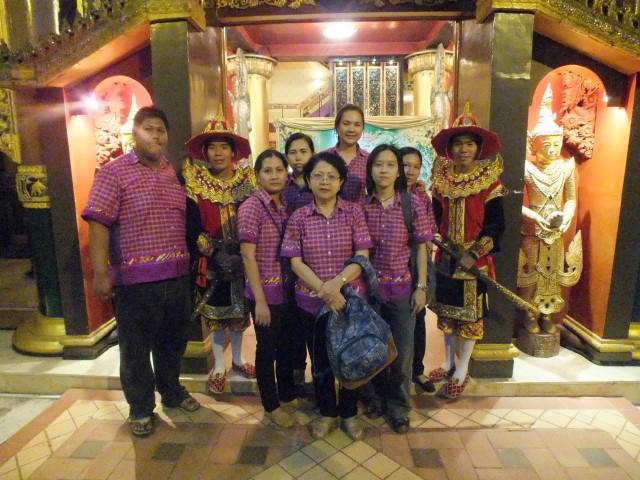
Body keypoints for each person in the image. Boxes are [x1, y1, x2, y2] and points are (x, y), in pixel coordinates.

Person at [82, 106, 200, 437]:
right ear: (134, 132)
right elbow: (98, 223)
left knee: (172, 342)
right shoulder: (114, 173)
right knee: (135, 348)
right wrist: (101, 273)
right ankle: (140, 407)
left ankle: (172, 391)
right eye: (149, 129)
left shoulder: (170, 172)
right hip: (136, 282)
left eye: (161, 130)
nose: (156, 135)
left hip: (176, 276)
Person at [281, 151, 373, 440]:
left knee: (350, 360)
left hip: (349, 301)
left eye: (331, 176)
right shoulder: (299, 217)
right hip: (312, 304)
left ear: (341, 181)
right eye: (318, 176)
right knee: (320, 363)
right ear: (308, 180)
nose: (324, 181)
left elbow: (362, 255)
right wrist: (325, 291)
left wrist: (336, 284)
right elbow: (295, 262)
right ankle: (327, 412)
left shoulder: (354, 213)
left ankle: (348, 413)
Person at [428, 103, 506, 399]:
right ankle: (448, 363)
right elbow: (435, 218)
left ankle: (462, 370)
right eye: (458, 143)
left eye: (469, 143)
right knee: (447, 316)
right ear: (450, 149)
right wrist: (435, 238)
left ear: (478, 148)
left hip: (475, 264)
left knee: (470, 320)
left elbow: (496, 227)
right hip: (444, 260)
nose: (463, 149)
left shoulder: (489, 183)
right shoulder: (441, 181)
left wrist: (473, 254)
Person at [362, 144, 434, 433]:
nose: (384, 170)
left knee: (402, 353)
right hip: (369, 292)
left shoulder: (412, 204)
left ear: (398, 171)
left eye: (390, 165)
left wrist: (421, 287)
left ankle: (399, 406)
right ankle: (375, 398)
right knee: (373, 349)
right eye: (378, 164)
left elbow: (421, 249)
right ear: (370, 170)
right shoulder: (361, 206)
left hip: (402, 290)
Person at [183, 117, 257, 395]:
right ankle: (218, 365)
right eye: (212, 147)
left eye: (224, 147)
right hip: (211, 259)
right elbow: (192, 225)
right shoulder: (195, 182)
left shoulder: (247, 181)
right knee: (215, 315)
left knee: (239, 314)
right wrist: (214, 252)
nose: (218, 153)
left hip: (243, 259)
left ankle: (237, 359)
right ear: (205, 152)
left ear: (233, 151)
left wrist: (243, 253)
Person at [238, 149, 297, 427]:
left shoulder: (284, 205)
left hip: (286, 290)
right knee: (267, 349)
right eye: (267, 170)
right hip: (265, 293)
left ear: (287, 174)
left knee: (286, 346)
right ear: (257, 175)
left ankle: (286, 395)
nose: (274, 176)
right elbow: (247, 255)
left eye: (279, 170)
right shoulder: (252, 206)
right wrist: (260, 300)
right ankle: (271, 406)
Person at [400, 146, 437, 393]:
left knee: (418, 315)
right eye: (405, 165)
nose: (410, 171)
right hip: (391, 264)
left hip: (417, 261)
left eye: (415, 166)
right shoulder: (384, 194)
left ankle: (417, 370)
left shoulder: (422, 197)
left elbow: (430, 231)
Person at [282, 132, 316, 398]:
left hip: (317, 263)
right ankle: (295, 379)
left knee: (316, 326)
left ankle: (320, 377)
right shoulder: (281, 186)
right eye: (293, 152)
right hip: (286, 264)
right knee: (292, 326)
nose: (298, 157)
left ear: (312, 154)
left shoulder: (320, 183)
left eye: (303, 151)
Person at [323, 104, 369, 202]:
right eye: (346, 123)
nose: (351, 129)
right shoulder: (323, 158)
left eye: (357, 125)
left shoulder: (370, 160)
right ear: (337, 127)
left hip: (361, 212)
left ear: (362, 129)